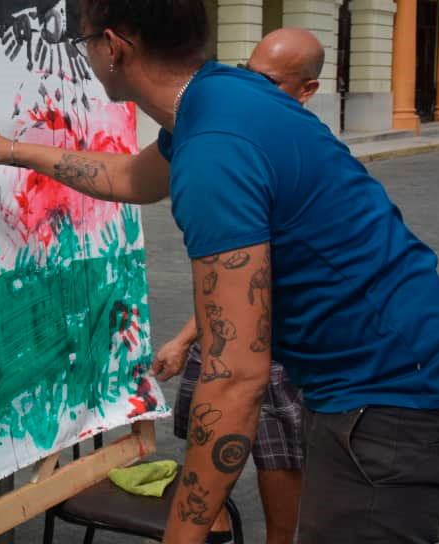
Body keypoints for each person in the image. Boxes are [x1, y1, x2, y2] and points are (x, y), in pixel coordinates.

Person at [0, 0, 439, 544]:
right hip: (394, 376)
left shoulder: (214, 150)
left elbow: (236, 377)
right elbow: (132, 179)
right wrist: (16, 152)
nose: (85, 54)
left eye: (84, 41)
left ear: (114, 46)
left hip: (391, 402)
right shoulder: (219, 96)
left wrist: (184, 534)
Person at [151, 26, 322, 544]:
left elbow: (259, 283)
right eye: (248, 73)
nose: (252, 88)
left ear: (306, 90)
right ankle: (217, 530)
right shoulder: (230, 134)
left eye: (267, 80)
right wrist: (186, 339)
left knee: (276, 452)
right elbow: (231, 282)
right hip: (228, 324)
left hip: (276, 339)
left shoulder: (302, 150)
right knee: (203, 436)